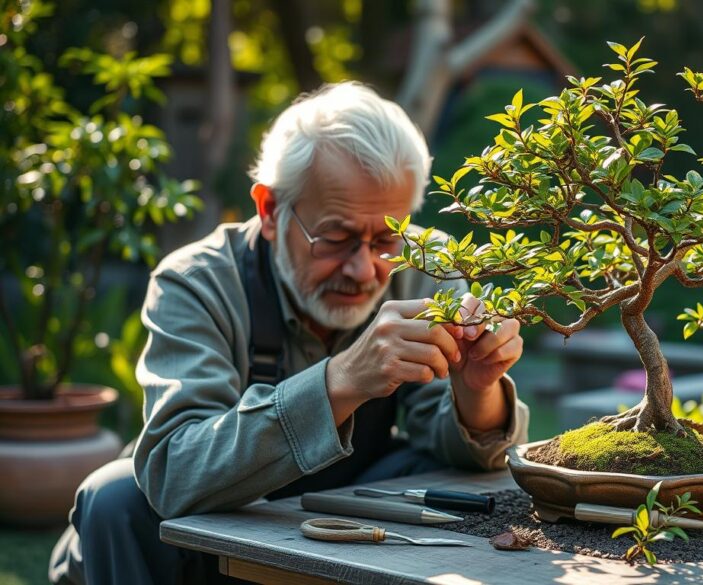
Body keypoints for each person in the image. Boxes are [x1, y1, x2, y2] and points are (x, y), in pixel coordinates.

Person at [49, 82, 530, 585]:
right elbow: (173, 473)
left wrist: (479, 391)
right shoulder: (196, 282)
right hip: (207, 531)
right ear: (270, 211)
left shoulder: (424, 264)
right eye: (337, 237)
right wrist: (342, 379)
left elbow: (460, 450)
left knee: (431, 477)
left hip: (338, 506)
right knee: (116, 497)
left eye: (387, 237)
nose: (364, 269)